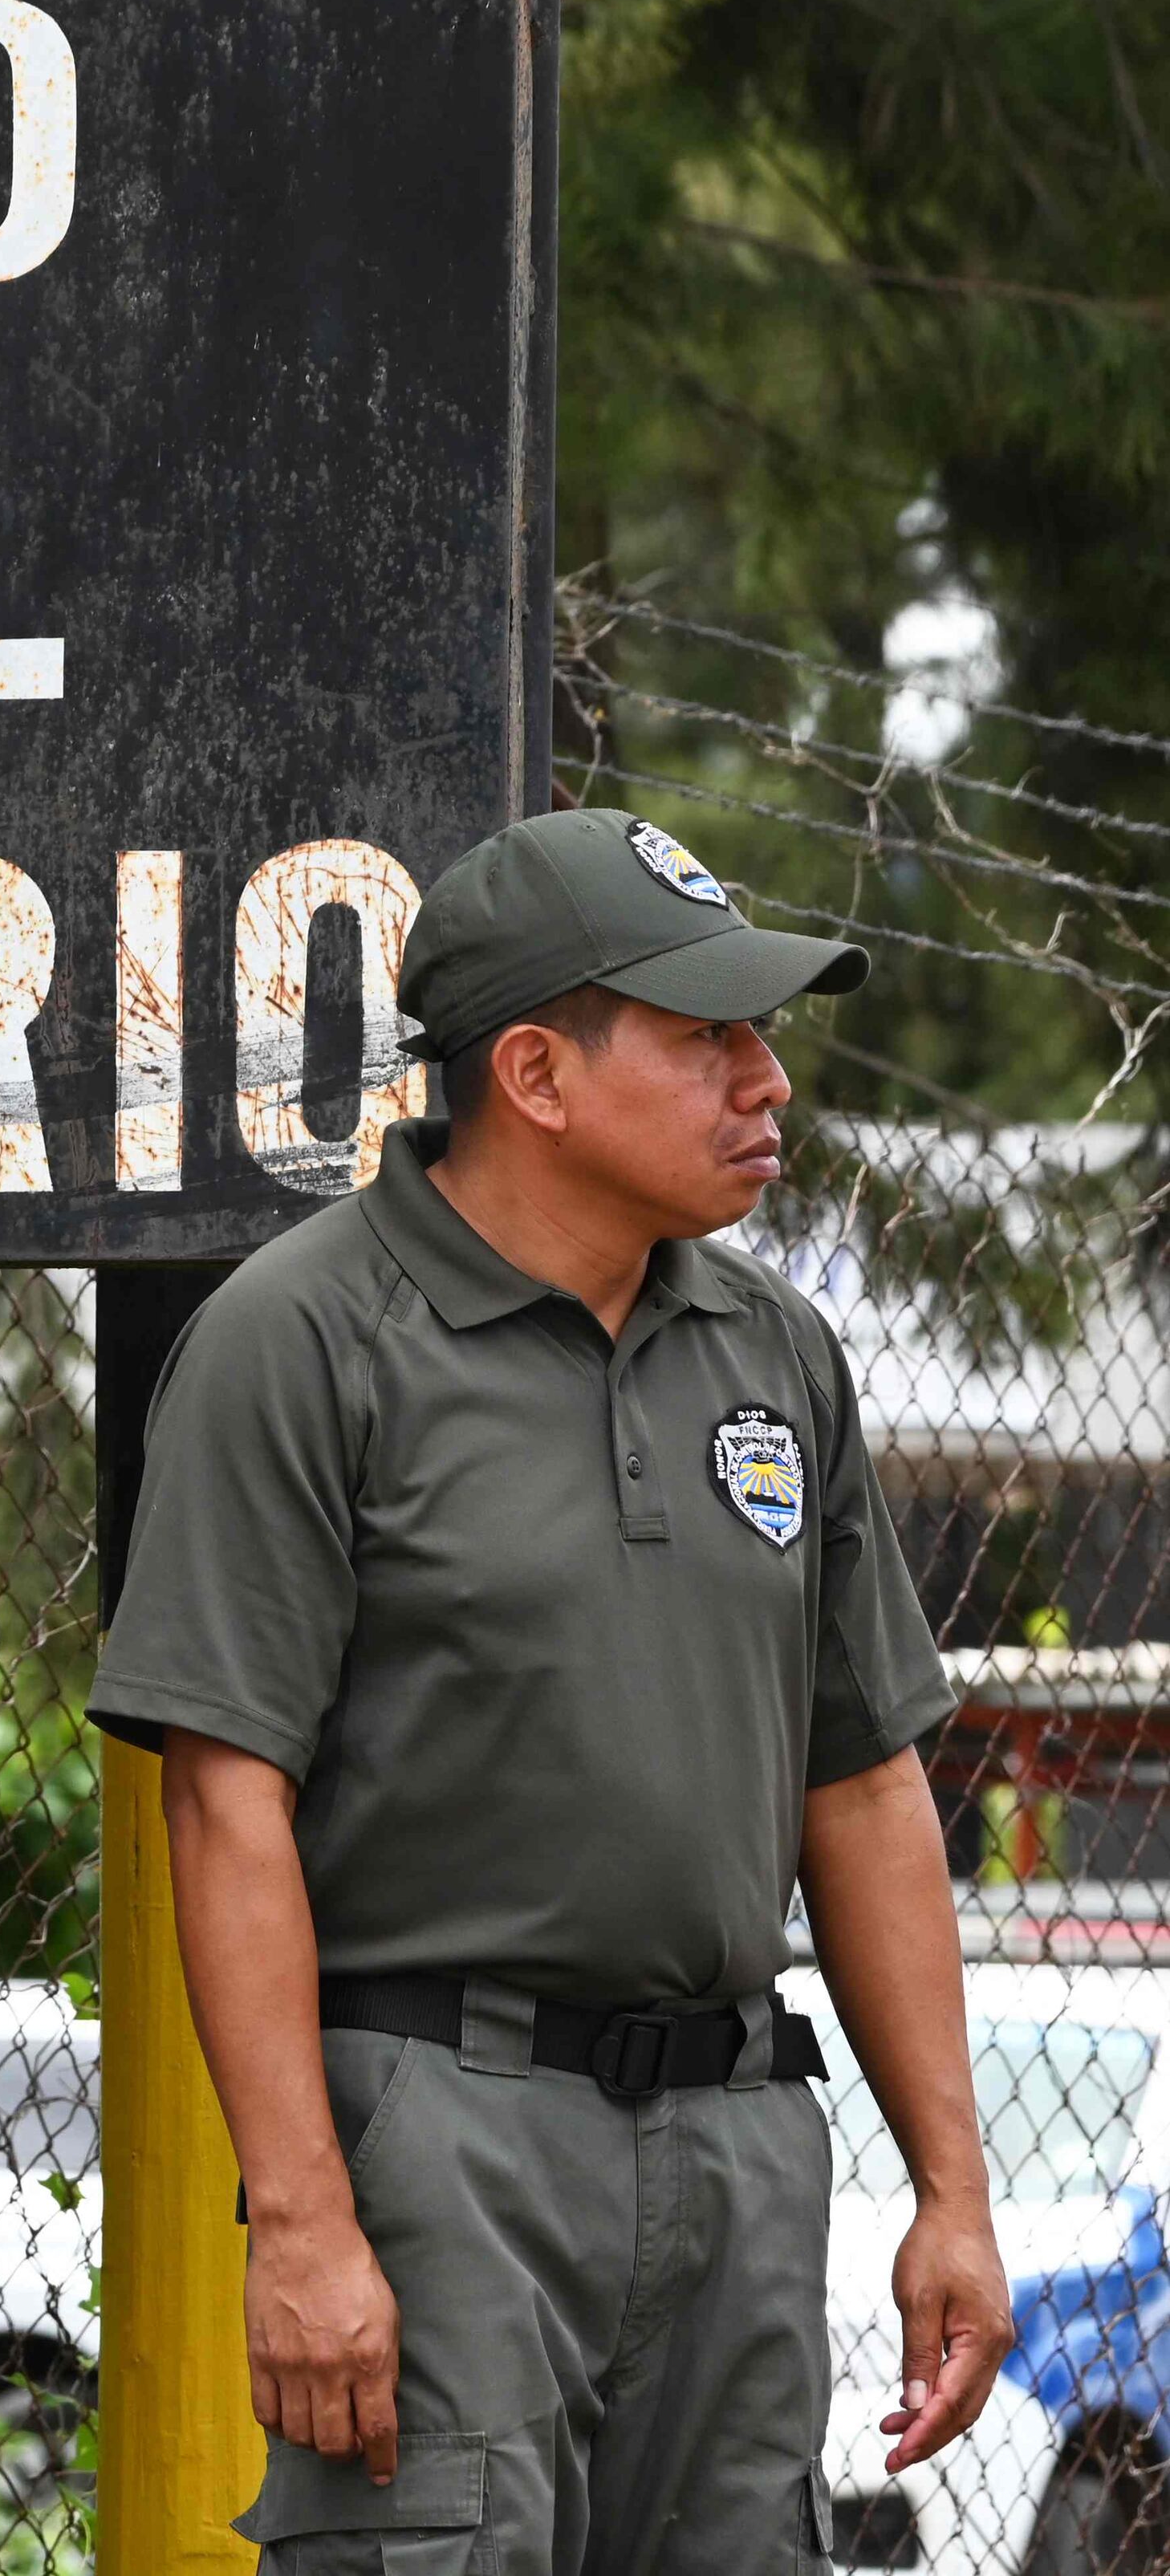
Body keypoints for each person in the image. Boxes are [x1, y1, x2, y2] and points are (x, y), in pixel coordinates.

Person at [90, 807, 1008, 2571]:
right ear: (533, 1070)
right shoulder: (301, 1338)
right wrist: (300, 2219)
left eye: (763, 1036)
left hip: (739, 2136)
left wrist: (949, 2190)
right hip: (442, 2134)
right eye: (706, 1036)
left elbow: (863, 1783)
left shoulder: (774, 1347)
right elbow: (224, 1801)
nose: (766, 1082)